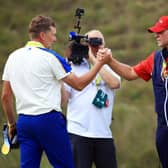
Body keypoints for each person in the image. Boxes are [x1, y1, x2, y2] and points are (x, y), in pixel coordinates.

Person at [1, 15, 110, 168]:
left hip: (24, 122)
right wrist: (99, 64)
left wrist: (12, 124)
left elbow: (5, 96)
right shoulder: (51, 57)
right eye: (53, 35)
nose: (54, 39)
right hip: (48, 120)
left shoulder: (13, 57)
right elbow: (78, 84)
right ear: (42, 35)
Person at [97, 16, 168, 168]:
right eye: (156, 32)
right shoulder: (156, 59)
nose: (156, 34)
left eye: (161, 31)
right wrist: (109, 61)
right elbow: (130, 73)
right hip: (164, 128)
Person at [62, 30, 120, 168]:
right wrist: (60, 74)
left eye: (99, 42)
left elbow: (115, 83)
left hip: (103, 134)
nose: (96, 46)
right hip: (78, 133)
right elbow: (63, 99)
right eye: (91, 42)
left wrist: (95, 60)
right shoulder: (73, 66)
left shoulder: (109, 65)